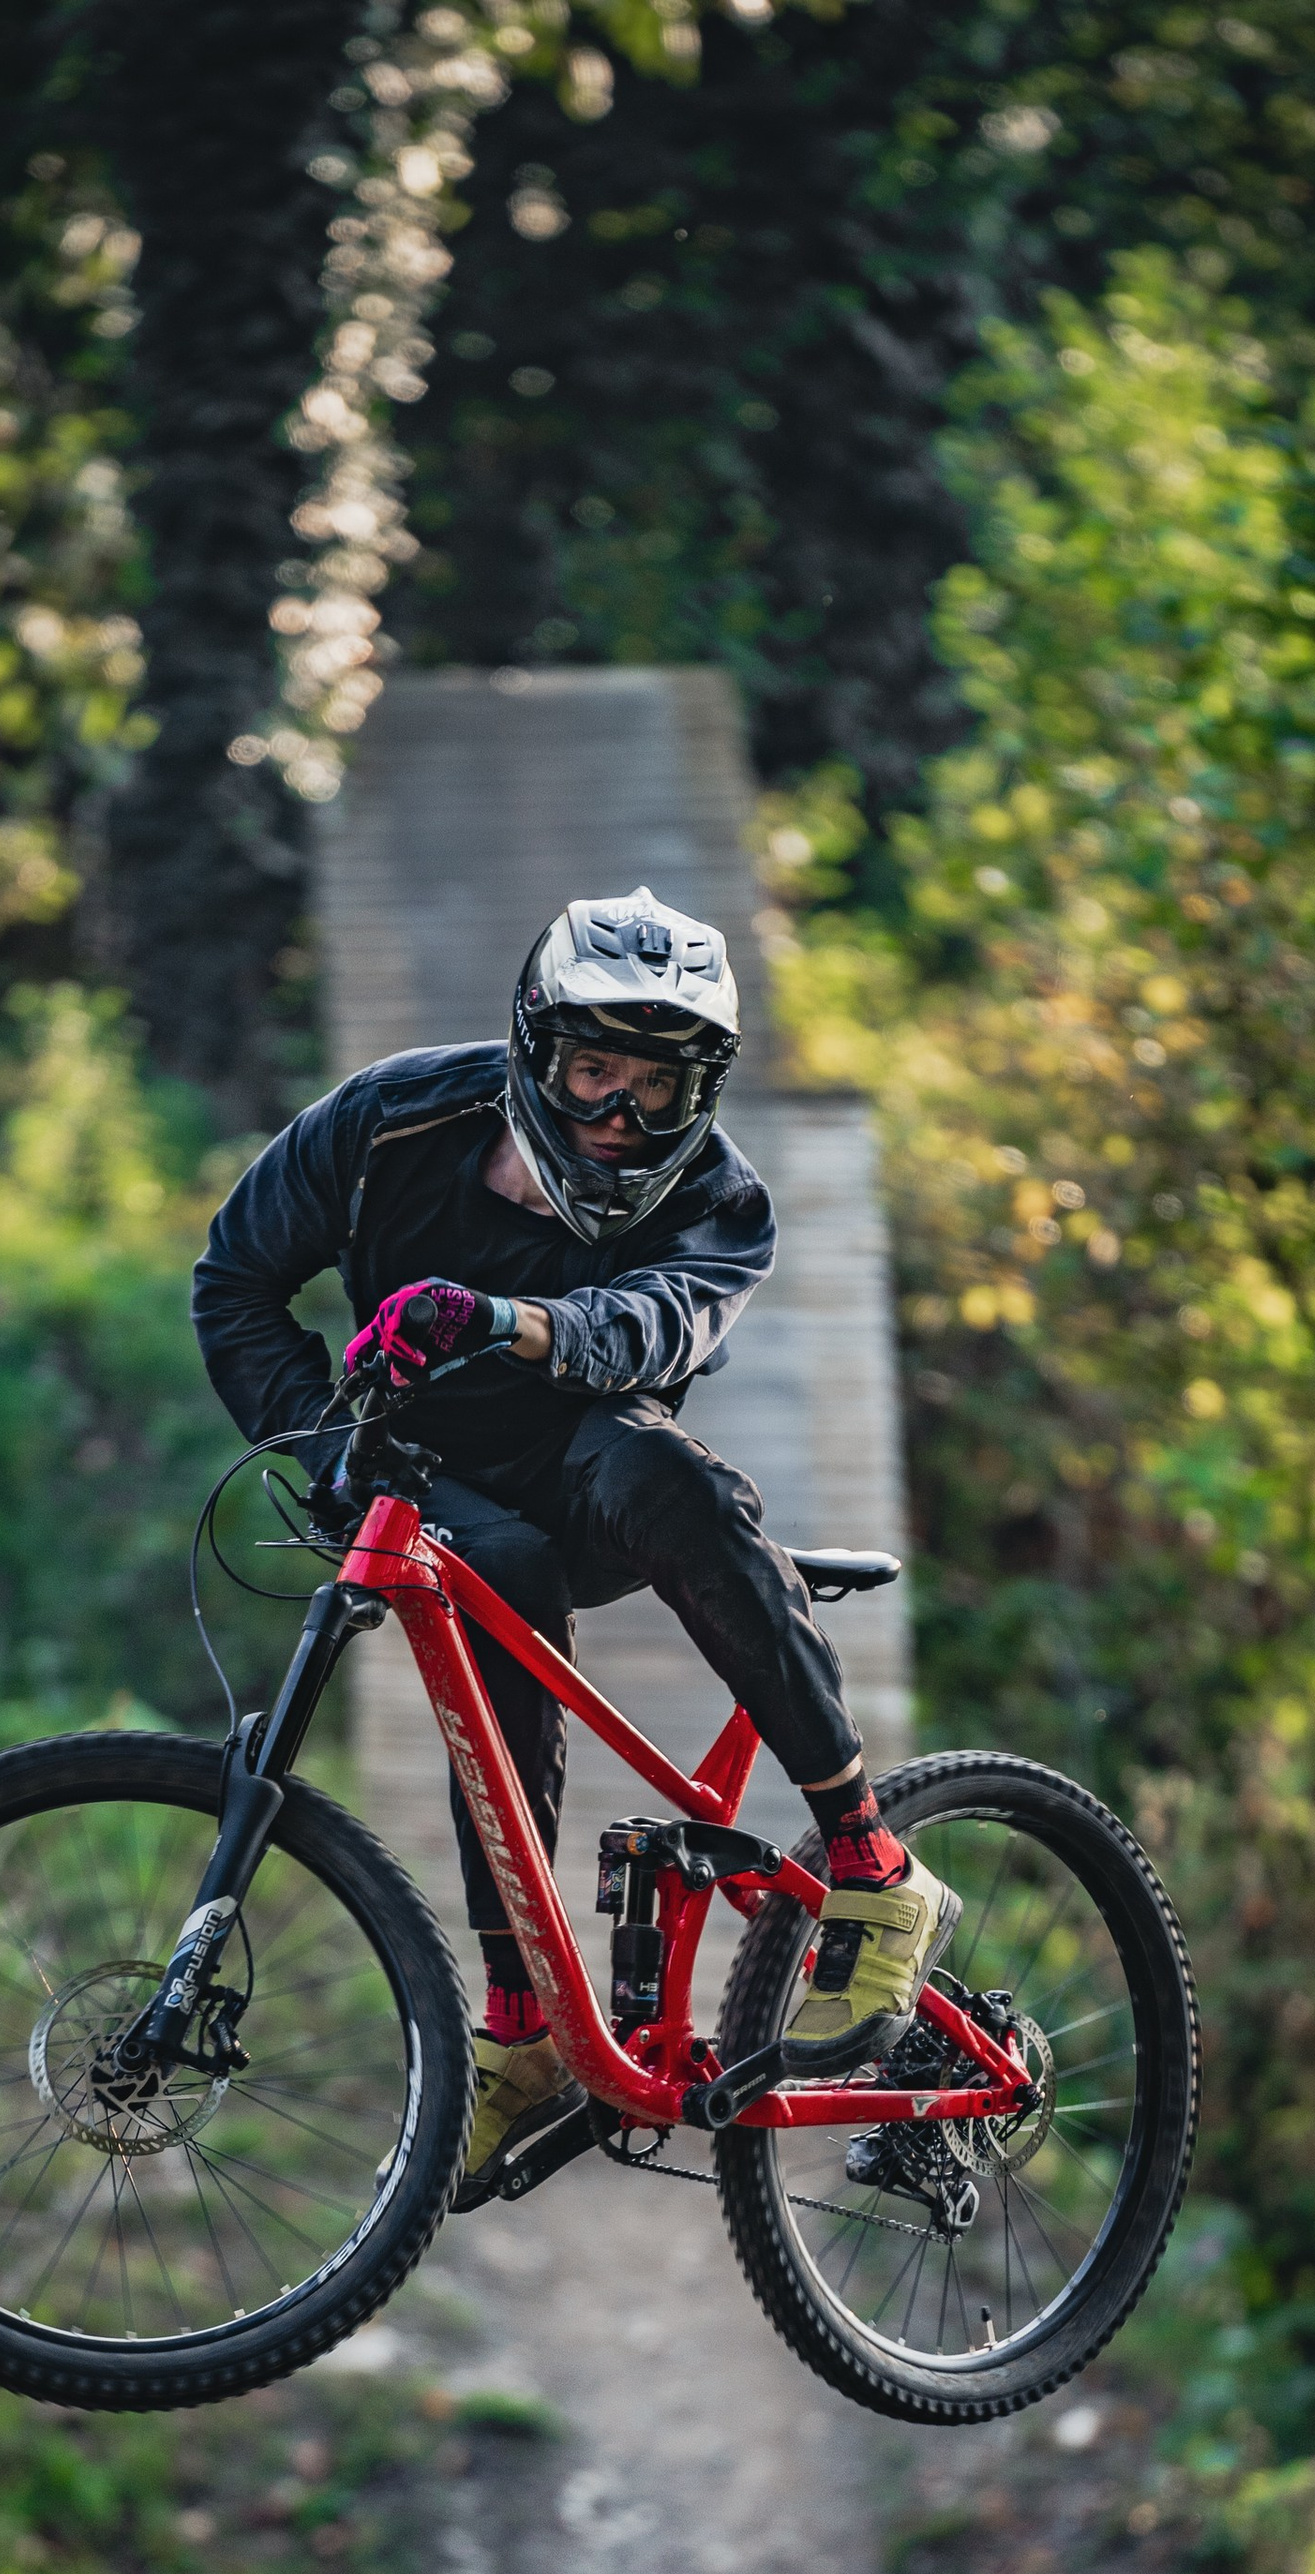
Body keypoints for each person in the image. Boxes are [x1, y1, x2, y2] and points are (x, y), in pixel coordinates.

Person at [191, 885, 953, 2205]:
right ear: (535, 1050)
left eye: (655, 1087)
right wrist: (325, 1447)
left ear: (698, 1091)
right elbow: (236, 1282)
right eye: (593, 1070)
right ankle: (521, 2031)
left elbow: (656, 1329)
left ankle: (873, 1864)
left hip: (594, 1463)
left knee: (663, 1467)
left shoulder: (723, 1201)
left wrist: (499, 1320)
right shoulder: (387, 1122)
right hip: (416, 1471)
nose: (617, 1114)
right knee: (491, 1576)